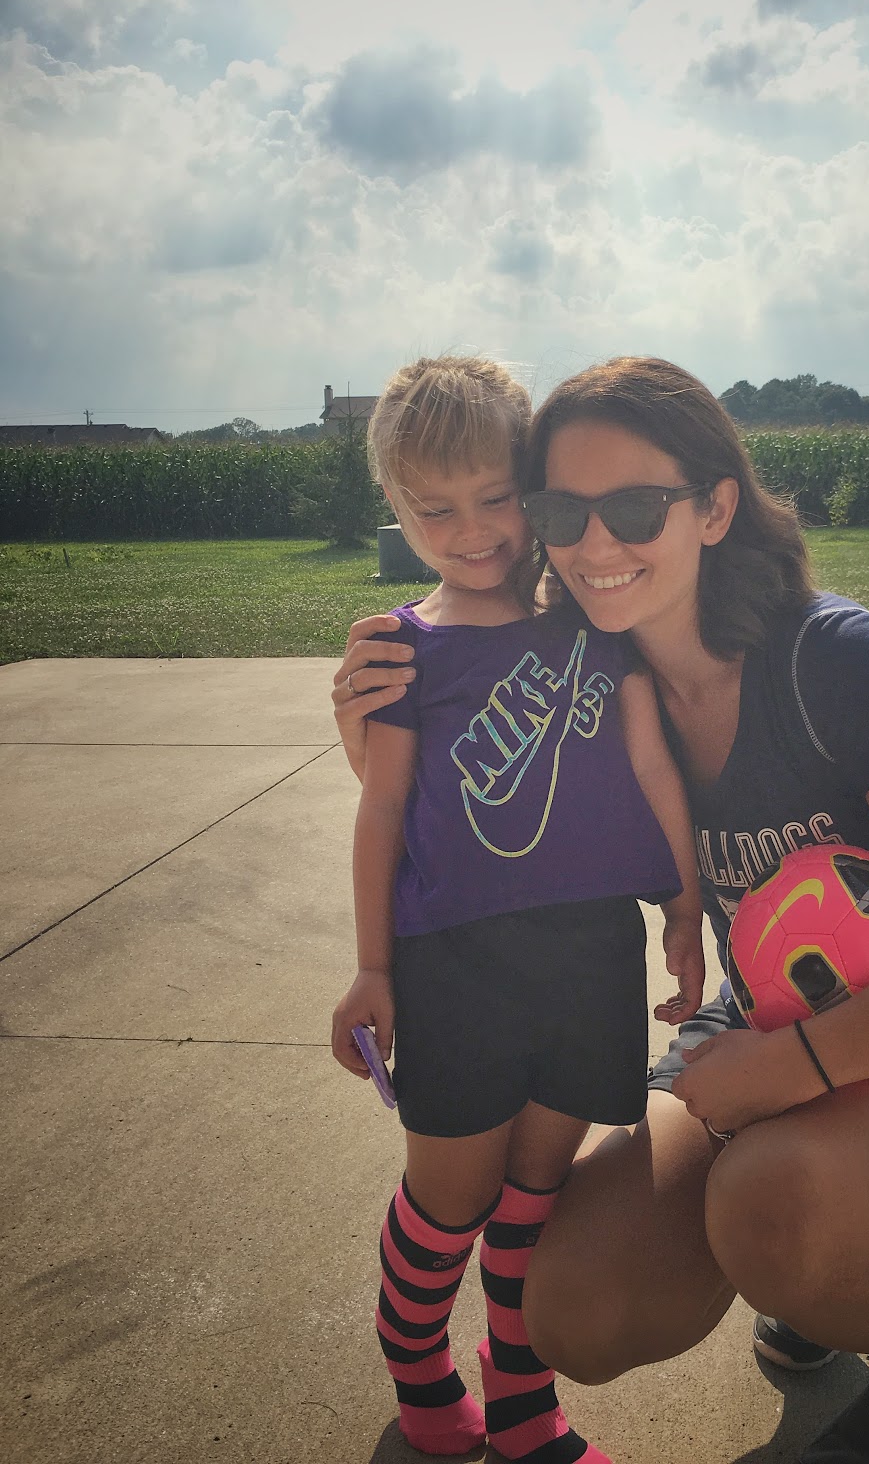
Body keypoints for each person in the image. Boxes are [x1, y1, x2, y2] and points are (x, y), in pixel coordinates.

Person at [333, 356, 869, 1464]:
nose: (595, 542)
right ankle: (828, 1271)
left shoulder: (827, 658)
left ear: (715, 508)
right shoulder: (589, 678)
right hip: (768, 1033)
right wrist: (370, 743)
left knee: (771, 1203)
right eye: (563, 511)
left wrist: (791, 1070)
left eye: (637, 507)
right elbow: (479, 822)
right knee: (572, 1298)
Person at [330, 355, 704, 1464]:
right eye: (433, 509)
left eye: (495, 497)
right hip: (456, 970)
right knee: (450, 1202)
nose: (472, 530)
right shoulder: (405, 649)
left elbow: (652, 766)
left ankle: (523, 1400)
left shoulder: (595, 623)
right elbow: (381, 807)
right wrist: (372, 968)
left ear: (531, 487)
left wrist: (685, 908)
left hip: (592, 958)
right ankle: (416, 1365)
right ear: (396, 507)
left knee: (535, 1199)